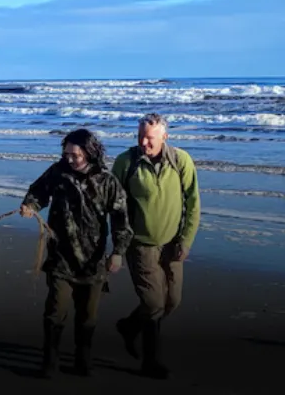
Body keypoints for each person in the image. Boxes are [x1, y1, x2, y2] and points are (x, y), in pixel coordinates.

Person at [20, 128, 132, 378]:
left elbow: (121, 218)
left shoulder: (106, 180)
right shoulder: (58, 172)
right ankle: (50, 363)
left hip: (93, 261)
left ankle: (83, 361)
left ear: (90, 153)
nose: (69, 159)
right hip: (60, 256)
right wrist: (30, 204)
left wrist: (118, 253)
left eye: (75, 155)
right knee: (54, 313)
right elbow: (38, 191)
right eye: (66, 153)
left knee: (87, 317)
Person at [112, 113, 201, 379]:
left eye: (150, 138)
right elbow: (114, 206)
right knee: (153, 303)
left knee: (172, 302)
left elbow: (193, 203)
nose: (144, 142)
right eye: (140, 136)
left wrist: (186, 240)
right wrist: (117, 247)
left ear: (165, 136)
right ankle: (151, 362)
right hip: (140, 245)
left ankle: (129, 327)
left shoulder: (181, 160)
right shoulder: (126, 162)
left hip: (173, 245)